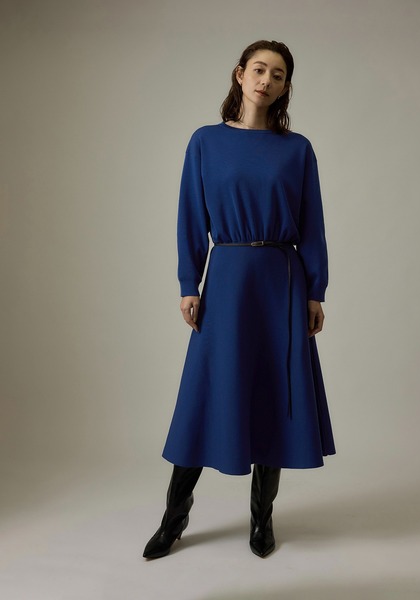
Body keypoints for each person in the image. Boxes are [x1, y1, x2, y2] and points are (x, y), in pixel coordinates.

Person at [143, 39, 335, 560]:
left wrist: (315, 289)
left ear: (285, 86)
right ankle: (174, 518)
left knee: (274, 392)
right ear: (240, 74)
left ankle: (261, 518)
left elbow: (312, 225)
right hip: (227, 278)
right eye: (259, 69)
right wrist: (189, 282)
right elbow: (190, 214)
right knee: (205, 394)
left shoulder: (297, 149)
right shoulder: (205, 141)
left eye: (278, 74)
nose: (266, 80)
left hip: (282, 280)